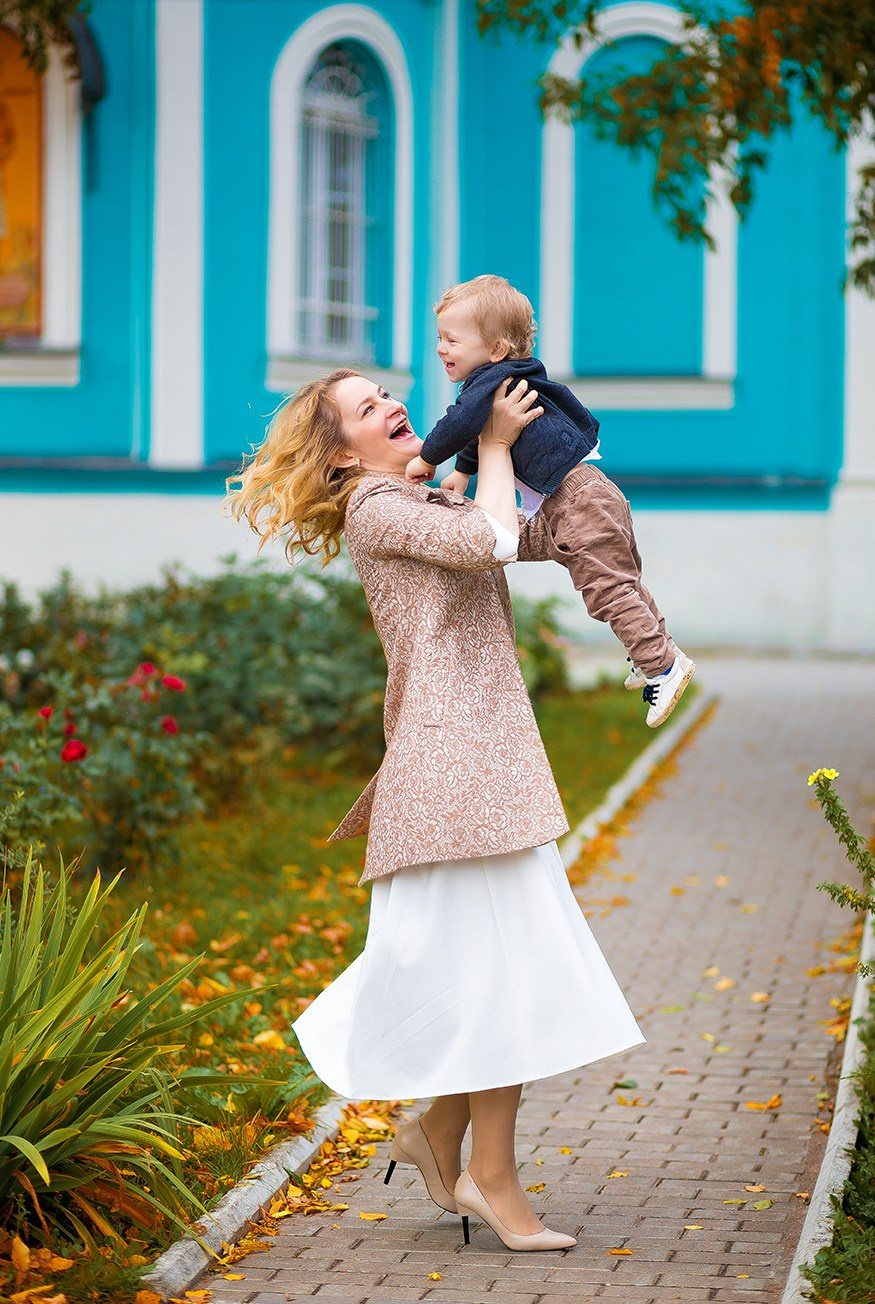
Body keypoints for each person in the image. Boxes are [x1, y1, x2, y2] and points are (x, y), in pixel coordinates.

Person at [227, 369, 643, 1253]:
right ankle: (489, 1181)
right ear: (342, 453)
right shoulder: (375, 509)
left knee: (493, 977)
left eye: (387, 391)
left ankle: (437, 1136)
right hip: (453, 774)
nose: (393, 404)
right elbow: (492, 541)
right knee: (502, 981)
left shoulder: (422, 500)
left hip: (481, 769)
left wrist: (584, 509)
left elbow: (521, 536)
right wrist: (490, 445)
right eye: (366, 407)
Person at [405, 274, 695, 729]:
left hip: (575, 499)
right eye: (439, 338)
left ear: (496, 349)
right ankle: (660, 650)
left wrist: (427, 457)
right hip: (587, 491)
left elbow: (461, 422)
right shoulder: (505, 379)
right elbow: (478, 430)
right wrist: (462, 471)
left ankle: (661, 666)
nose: (441, 348)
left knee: (607, 589)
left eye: (451, 340)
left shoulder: (490, 383)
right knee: (623, 580)